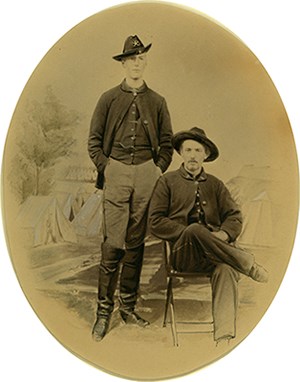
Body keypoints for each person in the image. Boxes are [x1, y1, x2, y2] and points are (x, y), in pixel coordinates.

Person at [88, 35, 173, 341]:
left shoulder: (157, 101)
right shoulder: (108, 99)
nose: (136, 64)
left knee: (136, 242)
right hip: (117, 173)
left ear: (145, 62)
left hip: (146, 175)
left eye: (141, 59)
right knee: (113, 243)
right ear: (123, 63)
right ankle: (102, 313)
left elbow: (167, 142)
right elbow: (94, 141)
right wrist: (107, 167)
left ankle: (127, 308)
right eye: (131, 59)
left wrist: (157, 167)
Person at [148, 127, 268, 344]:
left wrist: (223, 234)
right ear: (181, 154)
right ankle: (248, 264)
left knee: (226, 269)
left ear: (205, 155)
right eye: (188, 150)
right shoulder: (167, 182)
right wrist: (185, 232)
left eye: (198, 150)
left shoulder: (215, 184)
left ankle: (224, 336)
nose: (193, 155)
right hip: (182, 254)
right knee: (194, 230)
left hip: (213, 255)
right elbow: (154, 221)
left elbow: (234, 216)